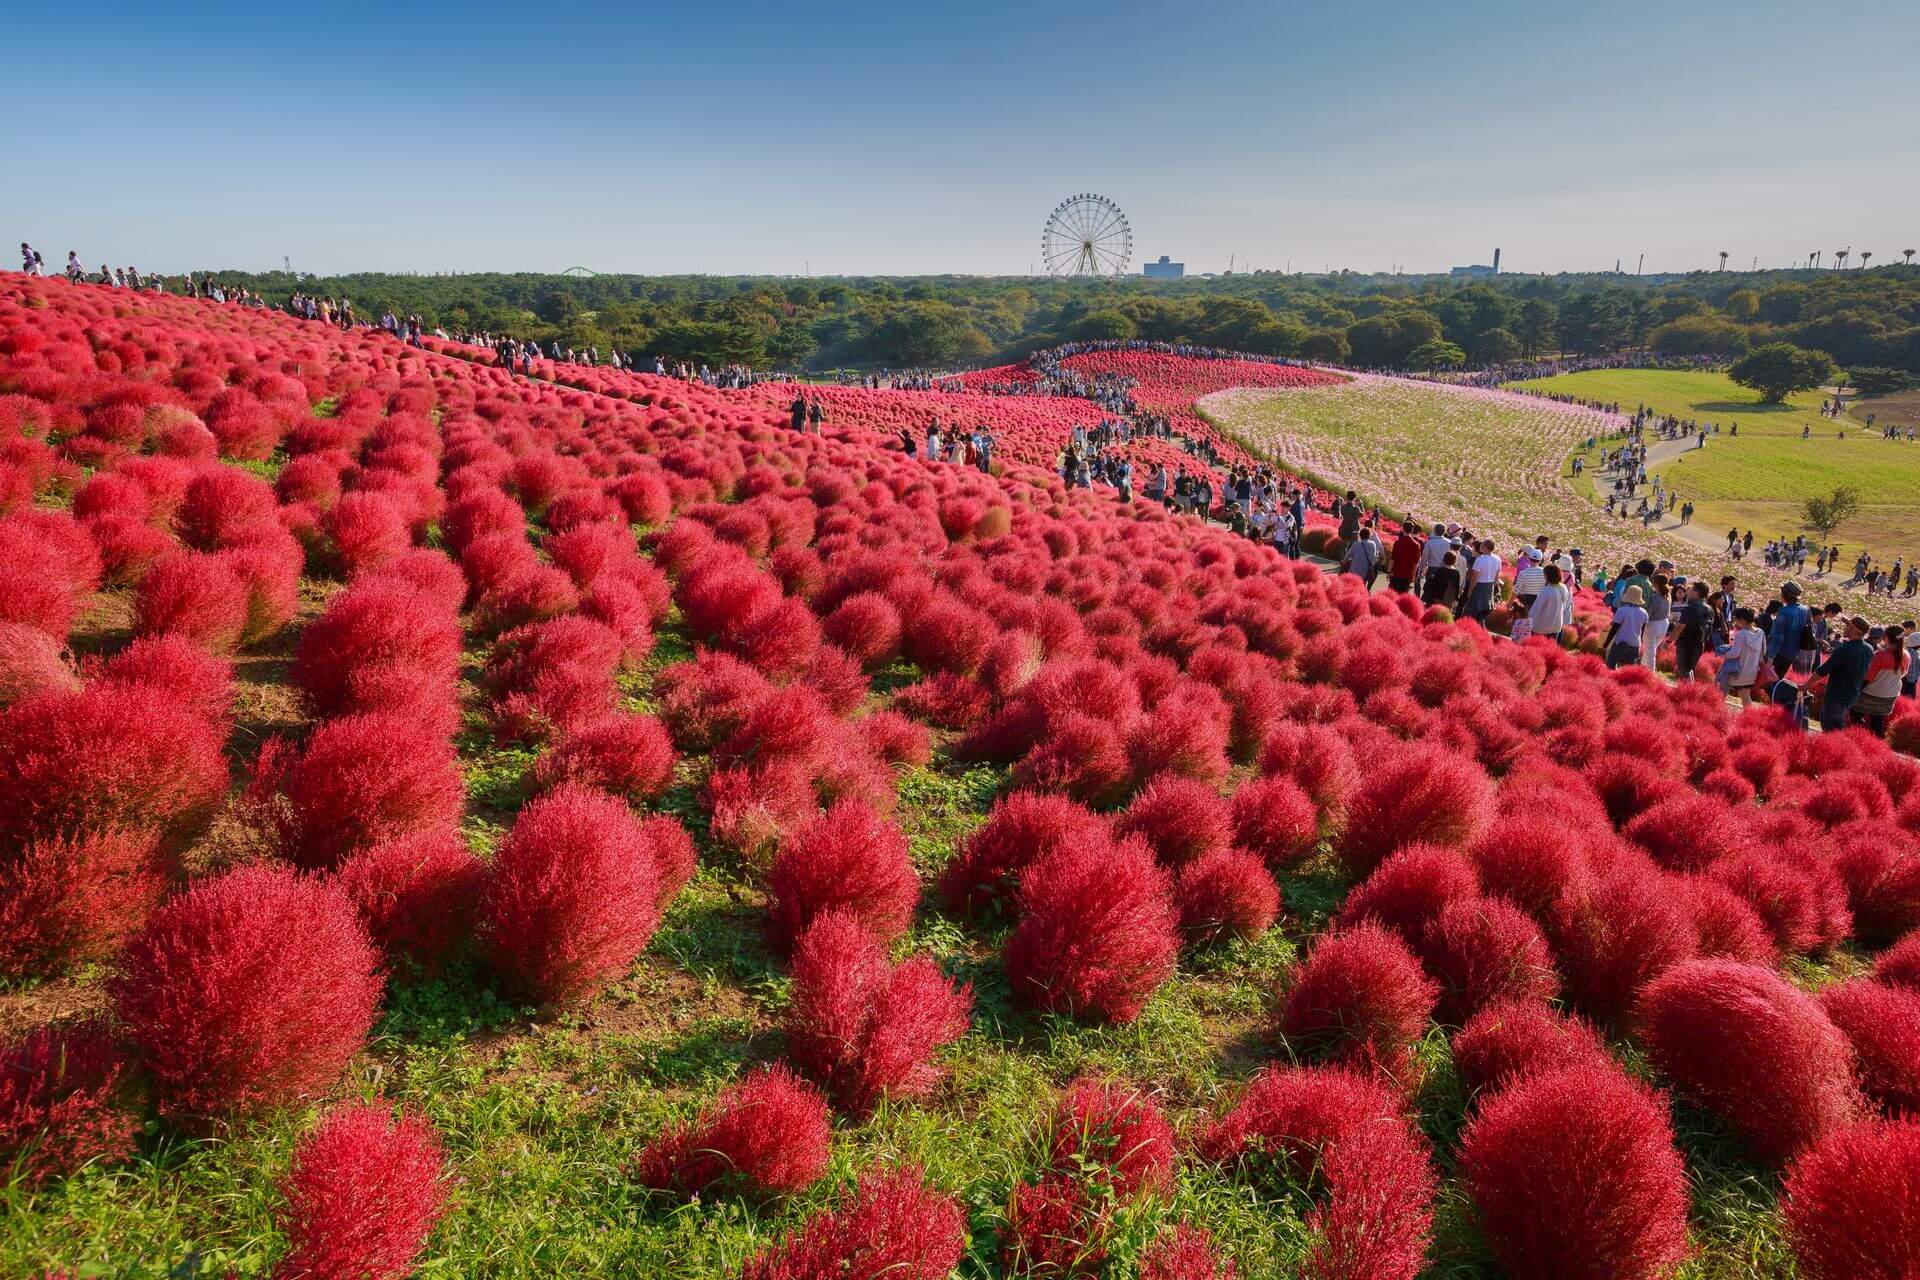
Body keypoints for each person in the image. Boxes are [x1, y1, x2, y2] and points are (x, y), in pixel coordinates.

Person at [1814, 616, 1873, 732]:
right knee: (1832, 722)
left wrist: (1806, 685)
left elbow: (1824, 670)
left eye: (1848, 626)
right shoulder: (1869, 649)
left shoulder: (1845, 649)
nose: (1845, 628)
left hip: (1837, 694)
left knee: (1832, 728)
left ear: (1855, 631)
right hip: (1851, 694)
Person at [1860, 626, 1910, 736]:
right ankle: (1876, 744)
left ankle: (1858, 737)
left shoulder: (1880, 654)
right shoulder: (1906, 656)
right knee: (1877, 721)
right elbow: (1903, 674)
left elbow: (1869, 677)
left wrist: (1858, 690)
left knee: (1855, 714)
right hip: (1890, 695)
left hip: (1871, 693)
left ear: (1886, 638)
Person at [1718, 607, 1766, 707]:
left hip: (1739, 671)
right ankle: (1749, 718)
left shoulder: (1741, 634)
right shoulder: (1760, 632)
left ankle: (1719, 708)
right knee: (1745, 695)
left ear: (1742, 620)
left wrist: (1722, 654)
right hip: (1752, 671)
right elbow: (1764, 651)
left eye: (1736, 619)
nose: (1736, 622)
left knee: (1723, 687)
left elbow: (1735, 653)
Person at [1768, 582, 1812, 674]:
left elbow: (1777, 637)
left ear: (1784, 594)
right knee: (1781, 676)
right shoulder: (1805, 609)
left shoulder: (1783, 612)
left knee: (1770, 679)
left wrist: (1770, 658)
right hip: (1795, 652)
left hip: (1781, 652)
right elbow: (1810, 630)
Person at [1673, 581, 1713, 681]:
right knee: (1690, 669)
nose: (1687, 592)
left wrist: (1670, 639)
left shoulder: (1689, 609)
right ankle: (1690, 690)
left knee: (1683, 669)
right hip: (1700, 643)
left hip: (1685, 643)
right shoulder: (1709, 609)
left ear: (1696, 593)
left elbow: (1680, 627)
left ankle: (1686, 692)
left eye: (1690, 590)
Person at [1604, 586, 1649, 670]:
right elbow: (1642, 631)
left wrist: (1607, 642)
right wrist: (1640, 643)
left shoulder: (1622, 610)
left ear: (1627, 596)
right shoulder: (1644, 613)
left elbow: (1614, 628)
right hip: (1635, 644)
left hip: (1620, 642)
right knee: (1629, 670)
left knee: (1611, 666)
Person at [1527, 563, 1571, 643]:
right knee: (1549, 649)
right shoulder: (1563, 587)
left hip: (1542, 626)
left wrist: (1528, 620)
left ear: (1548, 576)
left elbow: (1536, 608)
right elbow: (1565, 604)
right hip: (1556, 625)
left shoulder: (1546, 590)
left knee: (1536, 647)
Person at [1465, 540, 1502, 622]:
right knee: (1483, 612)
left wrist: (1470, 591)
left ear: (1485, 547)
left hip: (1479, 587)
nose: (1480, 546)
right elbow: (1496, 576)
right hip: (1490, 586)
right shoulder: (1497, 559)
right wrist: (1494, 587)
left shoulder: (1480, 559)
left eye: (1482, 545)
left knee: (1472, 613)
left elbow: (1474, 577)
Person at [1641, 573, 1672, 669]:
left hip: (1653, 625)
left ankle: (1650, 673)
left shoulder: (1653, 598)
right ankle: (1642, 666)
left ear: (1655, 583)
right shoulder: (1668, 596)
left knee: (1650, 651)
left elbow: (1647, 615)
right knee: (1652, 649)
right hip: (1664, 624)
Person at [1387, 525, 1423, 595]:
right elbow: (1415, 563)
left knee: (1392, 595)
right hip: (1407, 575)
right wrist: (1413, 576)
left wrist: (1389, 571)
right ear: (1412, 530)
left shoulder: (1397, 542)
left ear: (1403, 529)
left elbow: (1392, 559)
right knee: (1402, 597)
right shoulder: (1416, 545)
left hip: (1396, 573)